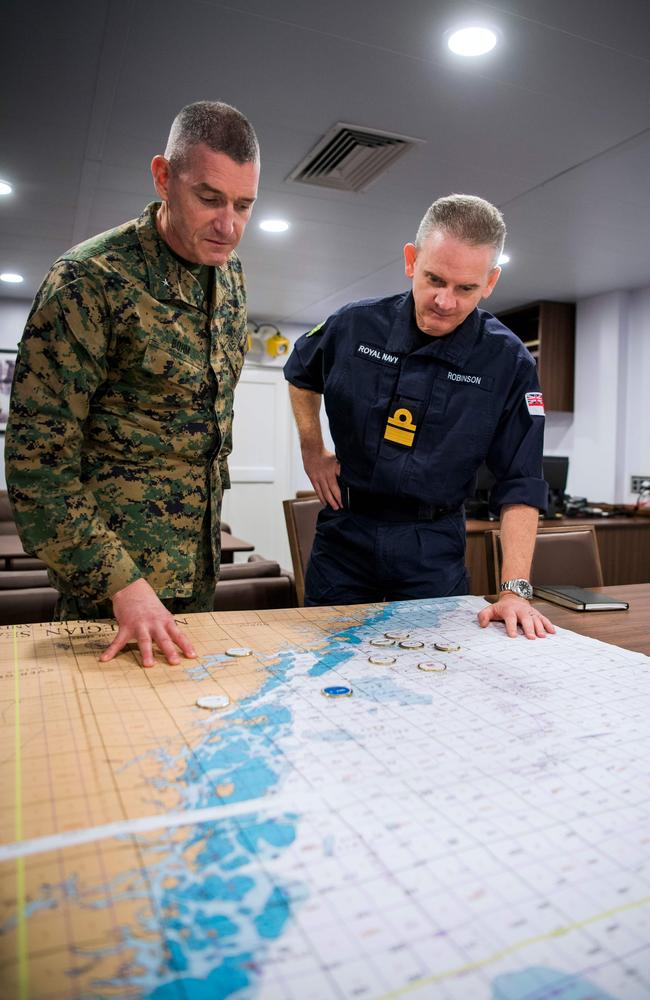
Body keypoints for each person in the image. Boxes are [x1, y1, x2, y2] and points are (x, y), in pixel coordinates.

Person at [5, 101, 260, 665]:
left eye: (245, 205)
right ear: (164, 178)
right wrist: (122, 583)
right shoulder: (89, 280)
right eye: (210, 199)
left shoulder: (231, 277)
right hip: (113, 593)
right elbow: (36, 465)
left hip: (199, 569)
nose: (229, 225)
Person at [284, 194, 555, 639]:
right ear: (412, 260)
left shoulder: (507, 361)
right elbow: (300, 373)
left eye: (465, 288)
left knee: (437, 667)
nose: (445, 301)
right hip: (346, 537)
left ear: (490, 282)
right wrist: (312, 449)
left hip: (432, 545)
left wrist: (514, 592)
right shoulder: (354, 325)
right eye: (434, 279)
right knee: (327, 667)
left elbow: (521, 482)